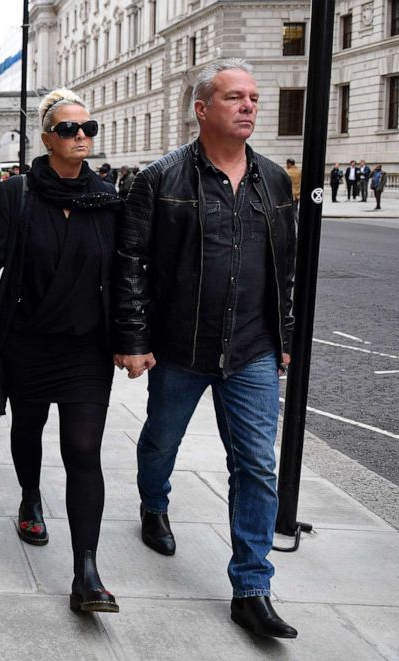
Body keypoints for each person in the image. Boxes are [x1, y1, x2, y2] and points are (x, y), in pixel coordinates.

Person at [113, 58, 297, 639]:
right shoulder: (160, 179)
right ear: (201, 109)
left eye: (253, 98)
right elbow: (132, 266)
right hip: (181, 346)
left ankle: (252, 586)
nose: (248, 106)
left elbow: (284, 269)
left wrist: (284, 338)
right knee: (161, 439)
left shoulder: (274, 179)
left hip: (253, 348)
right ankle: (153, 502)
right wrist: (135, 340)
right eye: (234, 97)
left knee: (255, 465)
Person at [0, 88, 121, 614]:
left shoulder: (108, 198)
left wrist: (134, 341)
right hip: (26, 339)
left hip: (86, 347)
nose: (81, 136)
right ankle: (30, 497)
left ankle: (87, 573)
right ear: (46, 138)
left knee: (83, 451)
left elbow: (126, 278)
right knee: (28, 427)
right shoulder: (16, 195)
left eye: (88, 129)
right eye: (68, 129)